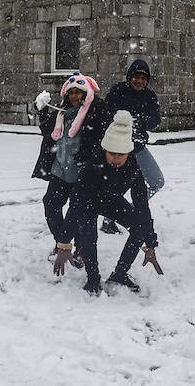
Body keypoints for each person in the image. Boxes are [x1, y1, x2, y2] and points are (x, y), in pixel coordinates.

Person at [55, 110, 163, 294]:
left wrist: (150, 242)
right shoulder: (93, 166)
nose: (116, 158)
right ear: (105, 150)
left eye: (121, 154)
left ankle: (120, 273)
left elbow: (142, 206)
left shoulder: (133, 167)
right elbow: (76, 203)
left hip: (112, 201)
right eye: (111, 153)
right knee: (89, 236)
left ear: (128, 152)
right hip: (88, 202)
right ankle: (93, 278)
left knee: (139, 227)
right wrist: (64, 242)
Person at [31, 73, 108, 263]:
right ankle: (62, 243)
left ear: (86, 93)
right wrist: (42, 111)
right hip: (60, 170)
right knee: (51, 204)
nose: (74, 96)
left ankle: (81, 250)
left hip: (83, 174)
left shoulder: (96, 112)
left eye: (79, 92)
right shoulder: (61, 112)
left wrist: (90, 157)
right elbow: (48, 132)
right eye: (71, 92)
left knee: (80, 213)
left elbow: (103, 138)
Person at [100, 58, 164, 234]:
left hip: (138, 147)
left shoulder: (150, 96)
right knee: (117, 187)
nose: (140, 81)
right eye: (137, 76)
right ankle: (108, 220)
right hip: (118, 150)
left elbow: (155, 119)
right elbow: (107, 113)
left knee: (157, 181)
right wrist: (123, 121)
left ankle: (124, 210)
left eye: (144, 78)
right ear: (130, 77)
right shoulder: (118, 91)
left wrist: (140, 121)